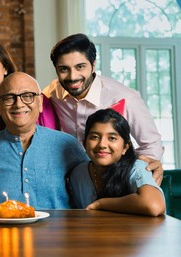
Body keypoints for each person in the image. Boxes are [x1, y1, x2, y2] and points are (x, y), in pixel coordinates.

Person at [43, 33, 164, 185]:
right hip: (74, 180)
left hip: (117, 180)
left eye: (80, 67)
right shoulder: (52, 93)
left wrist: (141, 175)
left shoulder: (125, 97)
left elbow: (151, 144)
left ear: (93, 65)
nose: (73, 77)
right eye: (64, 69)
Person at [0, 72, 89, 209]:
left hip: (58, 229)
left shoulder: (67, 145)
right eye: (9, 98)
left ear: (40, 103)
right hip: (2, 230)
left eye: (28, 96)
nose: (19, 104)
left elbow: (89, 188)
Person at [68, 108, 165, 217]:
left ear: (125, 147)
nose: (102, 144)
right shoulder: (78, 173)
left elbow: (154, 206)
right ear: (85, 143)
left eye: (112, 138)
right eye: (95, 137)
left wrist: (101, 204)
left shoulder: (137, 168)